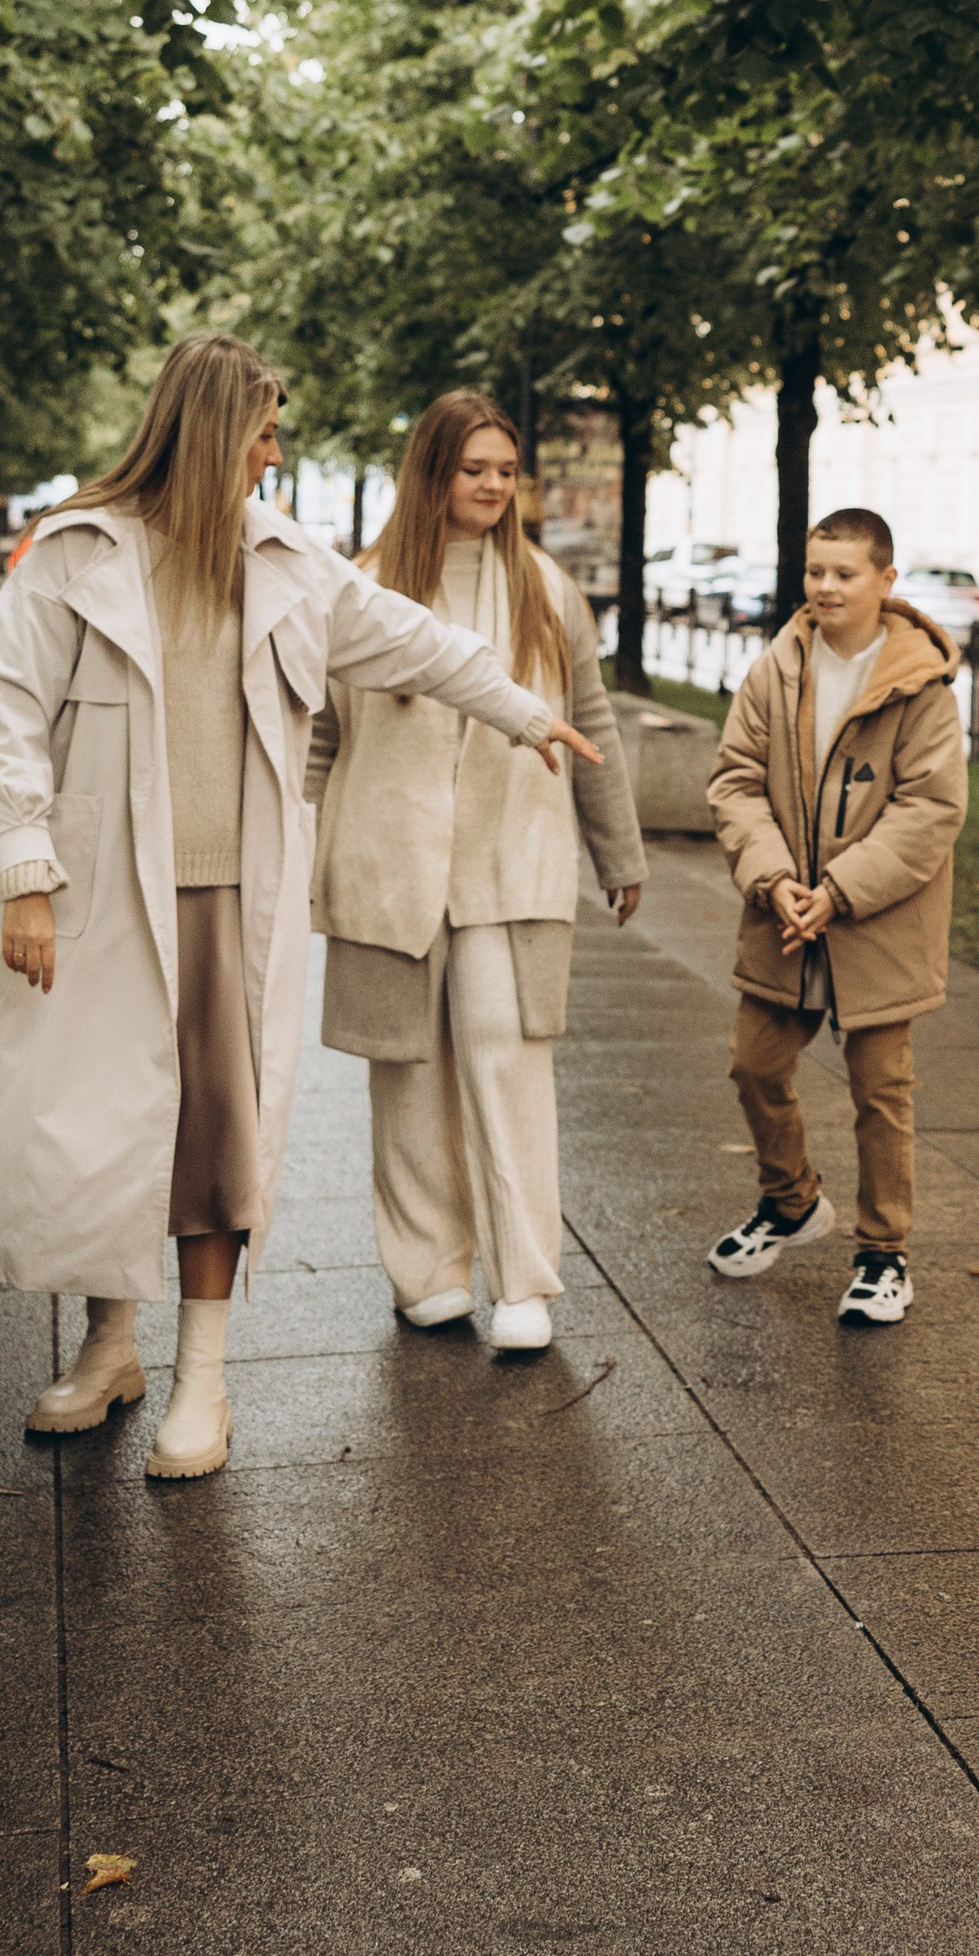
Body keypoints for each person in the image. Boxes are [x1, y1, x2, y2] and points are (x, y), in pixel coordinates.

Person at [0, 338, 600, 1477]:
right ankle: (111, 1346)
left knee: (215, 1139)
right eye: (264, 428)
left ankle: (203, 1381)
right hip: (103, 891)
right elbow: (5, 706)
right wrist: (25, 874)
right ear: (211, 430)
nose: (277, 449)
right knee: (105, 1127)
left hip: (231, 899)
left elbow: (414, 636)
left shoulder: (288, 561)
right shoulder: (76, 553)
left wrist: (517, 708)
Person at [305, 391, 644, 1353]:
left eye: (506, 469)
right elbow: (320, 736)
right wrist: (302, 854)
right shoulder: (359, 589)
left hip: (514, 860)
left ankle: (523, 1278)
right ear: (432, 473)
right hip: (386, 865)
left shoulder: (545, 586)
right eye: (474, 468)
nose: (494, 485)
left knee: (508, 1057)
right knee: (404, 1074)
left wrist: (617, 849)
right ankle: (428, 1270)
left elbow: (594, 718)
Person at [704, 507, 967, 1329]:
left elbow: (931, 807)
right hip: (783, 918)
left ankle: (884, 1253)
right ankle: (790, 1200)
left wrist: (842, 888)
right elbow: (736, 781)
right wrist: (775, 877)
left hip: (877, 925)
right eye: (816, 571)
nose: (825, 587)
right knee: (754, 1064)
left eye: (844, 573)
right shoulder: (775, 669)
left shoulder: (920, 683)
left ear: (885, 581)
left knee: (881, 1092)